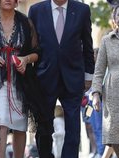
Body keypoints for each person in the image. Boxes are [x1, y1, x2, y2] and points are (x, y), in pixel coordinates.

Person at [0, 0, 51, 158]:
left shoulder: (26, 23)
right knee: (0, 123)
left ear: (16, 2)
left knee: (19, 125)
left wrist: (26, 59)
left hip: (21, 82)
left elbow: (37, 52)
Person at [28, 0, 95, 157]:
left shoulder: (82, 10)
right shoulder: (36, 11)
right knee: (44, 125)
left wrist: (88, 76)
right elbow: (30, 46)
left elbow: (87, 45)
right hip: (44, 78)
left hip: (73, 77)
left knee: (73, 125)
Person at [92, 5, 119, 158]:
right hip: (113, 95)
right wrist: (96, 94)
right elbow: (99, 71)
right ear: (114, 20)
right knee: (113, 135)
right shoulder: (107, 41)